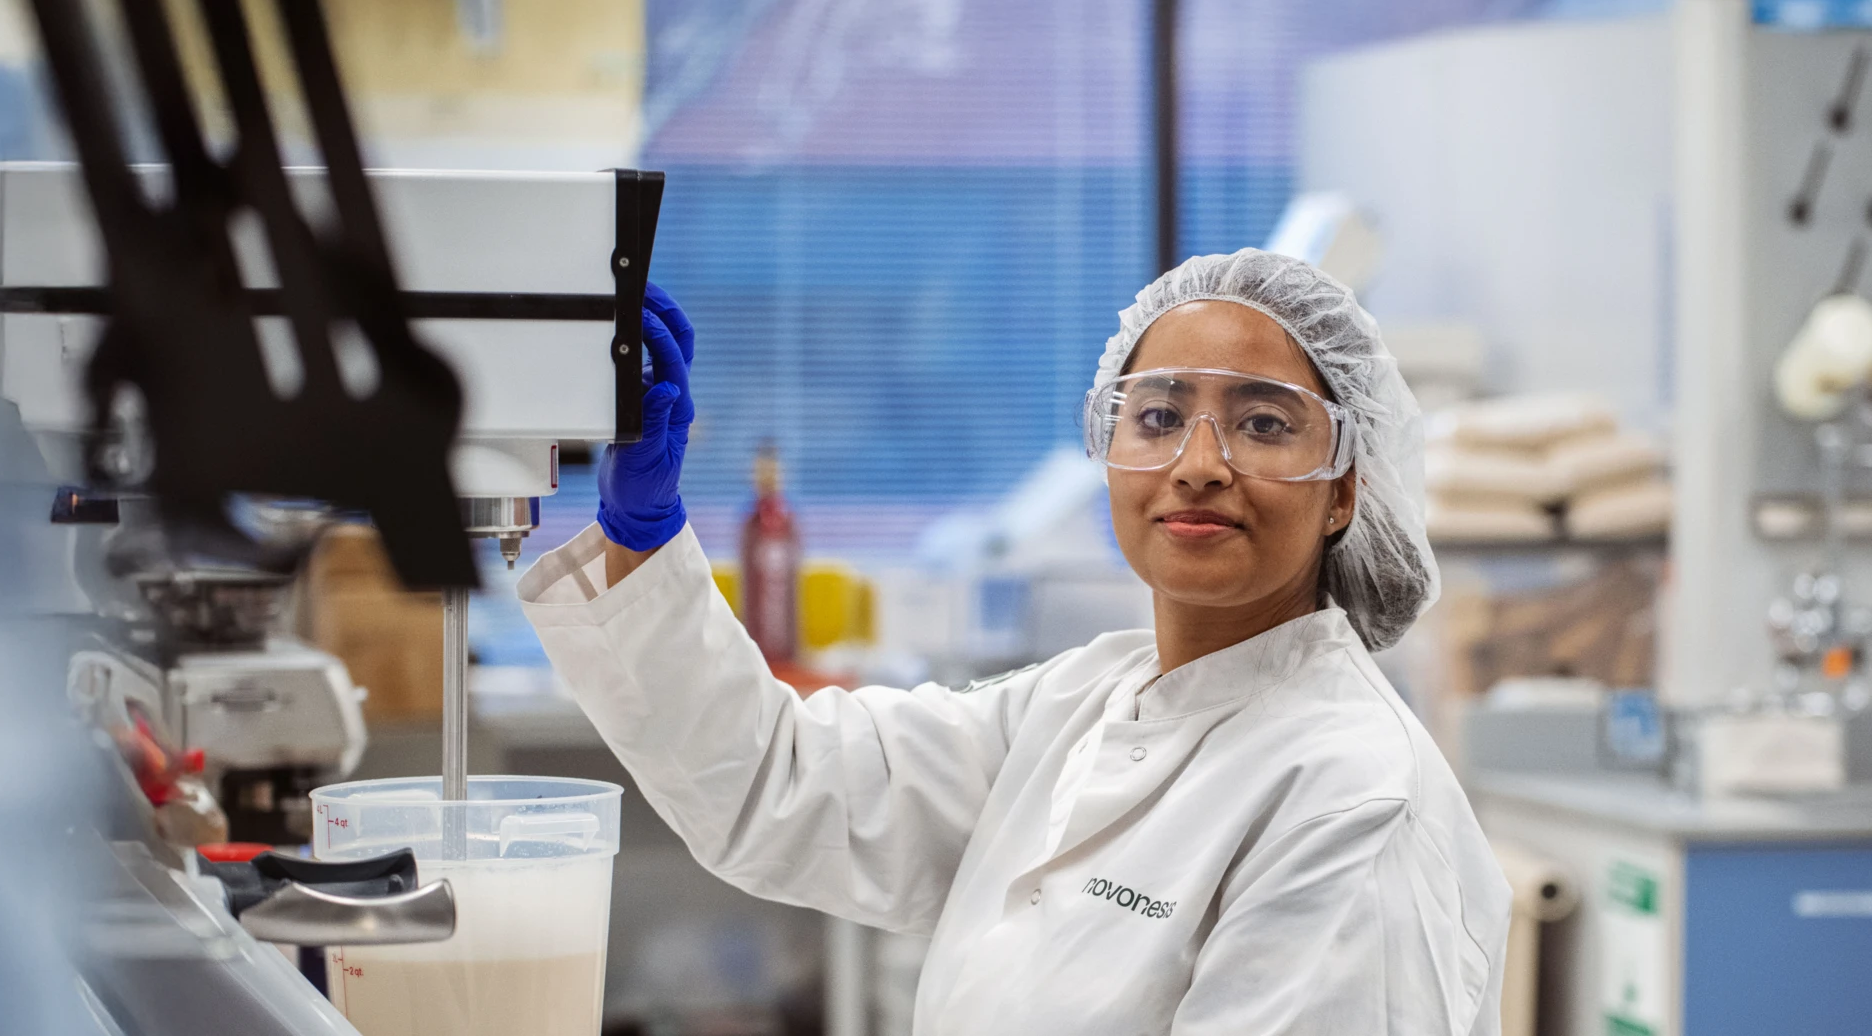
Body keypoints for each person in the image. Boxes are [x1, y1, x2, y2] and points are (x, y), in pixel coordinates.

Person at [518, 249, 1512, 1035]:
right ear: (1107, 449)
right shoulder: (1082, 704)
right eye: (1158, 414)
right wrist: (643, 537)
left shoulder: (1352, 798)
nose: (1199, 462)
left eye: (1261, 423)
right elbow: (780, 783)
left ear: (1343, 489)